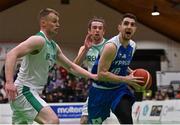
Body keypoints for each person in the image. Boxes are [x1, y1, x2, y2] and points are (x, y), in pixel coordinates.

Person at [4, 8, 96, 124]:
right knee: (52, 121)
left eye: (58, 22)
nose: (58, 24)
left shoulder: (53, 46)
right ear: (43, 23)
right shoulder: (38, 40)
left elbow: (71, 67)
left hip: (30, 93)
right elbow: (12, 54)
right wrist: (9, 82)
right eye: (54, 21)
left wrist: (92, 75)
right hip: (24, 91)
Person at [89, 13, 144, 124]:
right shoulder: (111, 46)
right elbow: (101, 74)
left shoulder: (133, 46)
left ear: (135, 29)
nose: (129, 26)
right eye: (126, 23)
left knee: (127, 119)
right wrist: (126, 79)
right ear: (119, 27)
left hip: (118, 90)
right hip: (100, 90)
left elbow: (121, 63)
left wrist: (132, 73)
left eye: (132, 24)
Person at [73, 17, 107, 124]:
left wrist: (131, 73)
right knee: (84, 121)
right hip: (96, 89)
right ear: (89, 31)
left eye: (100, 28)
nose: (97, 30)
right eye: (94, 27)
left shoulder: (110, 45)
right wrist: (86, 49)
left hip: (111, 88)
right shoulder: (84, 48)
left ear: (103, 31)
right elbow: (74, 67)